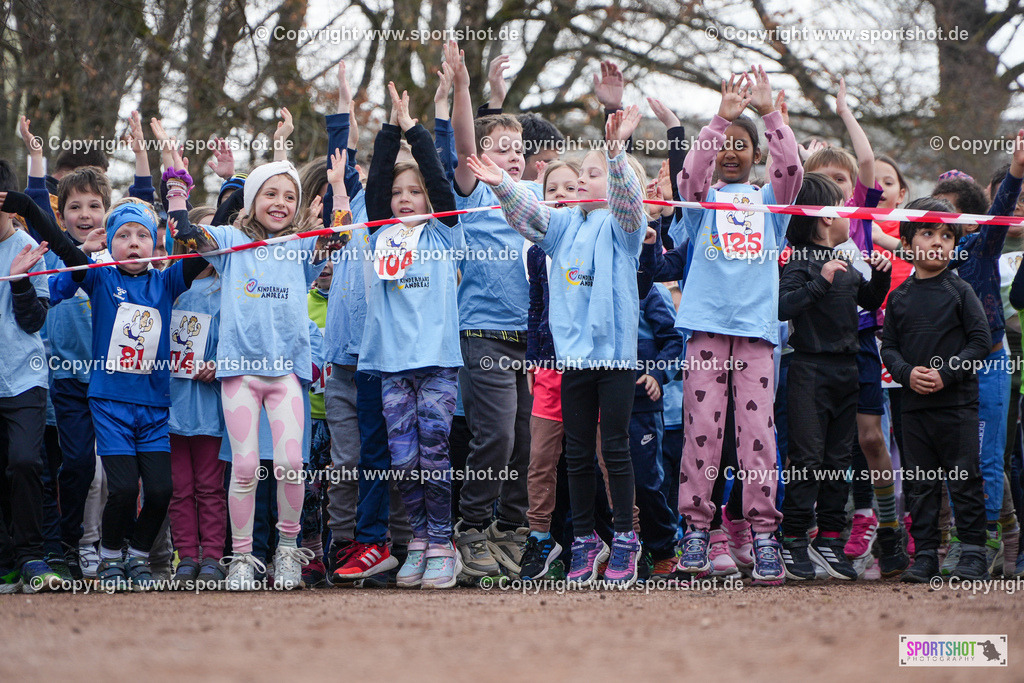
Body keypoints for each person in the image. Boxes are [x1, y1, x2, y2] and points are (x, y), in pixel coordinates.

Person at [468, 104, 648, 587]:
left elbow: (630, 202)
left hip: (615, 359)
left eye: (594, 175)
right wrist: (501, 184)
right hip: (572, 360)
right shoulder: (565, 227)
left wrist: (614, 155)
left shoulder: (622, 229)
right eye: (583, 172)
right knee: (575, 457)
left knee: (614, 450)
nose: (585, 180)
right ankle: (586, 542)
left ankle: (627, 541)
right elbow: (527, 214)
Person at [778, 173, 891, 580]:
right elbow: (783, 305)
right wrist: (820, 283)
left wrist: (880, 274)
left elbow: (871, 300)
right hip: (809, 369)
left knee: (838, 459)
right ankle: (793, 539)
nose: (850, 216)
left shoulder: (846, 263)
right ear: (825, 218)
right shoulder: (800, 261)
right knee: (808, 459)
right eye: (844, 208)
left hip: (848, 370)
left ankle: (829, 537)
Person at [881, 197, 993, 583]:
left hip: (957, 406)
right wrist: (907, 373)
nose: (938, 242)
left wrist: (946, 374)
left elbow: (980, 343)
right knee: (920, 484)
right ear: (908, 243)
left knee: (964, 478)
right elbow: (889, 347)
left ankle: (973, 553)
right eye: (928, 233)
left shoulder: (961, 291)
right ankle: (926, 555)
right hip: (913, 409)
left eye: (947, 235)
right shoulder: (898, 297)